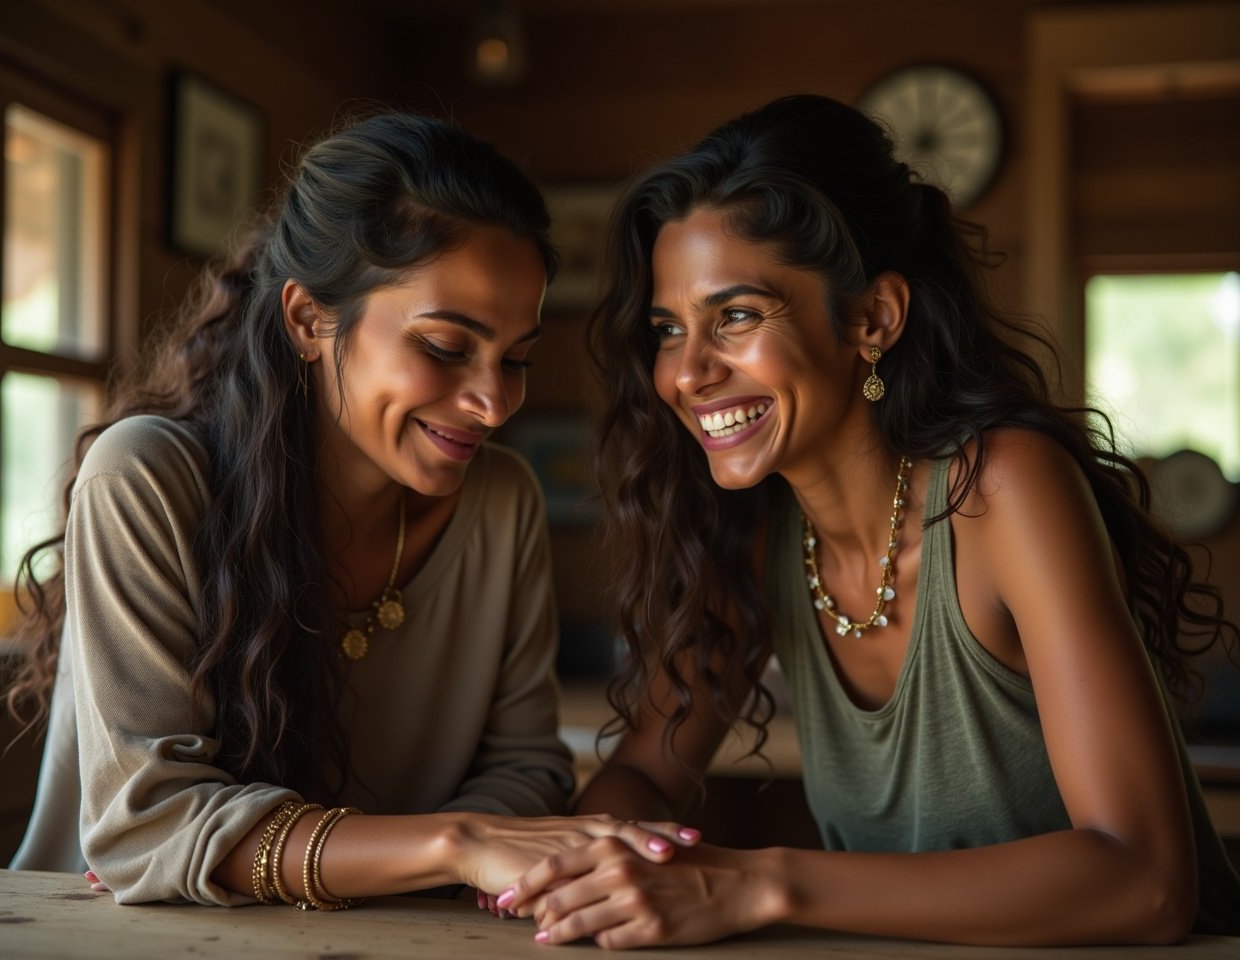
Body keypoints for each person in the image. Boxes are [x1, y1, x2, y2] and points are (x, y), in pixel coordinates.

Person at [497, 94, 1240, 947]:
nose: (686, 373)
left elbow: (1145, 882)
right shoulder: (757, 527)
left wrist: (760, 882)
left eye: (735, 316)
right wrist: (606, 864)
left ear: (873, 318)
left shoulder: (1001, 488)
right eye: (670, 328)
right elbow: (639, 773)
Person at [5, 111, 693, 909]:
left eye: (518, 360)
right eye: (444, 346)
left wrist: (477, 850)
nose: (494, 402)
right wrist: (457, 845)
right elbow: (147, 828)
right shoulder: (146, 480)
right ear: (308, 318)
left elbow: (526, 767)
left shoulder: (501, 502)